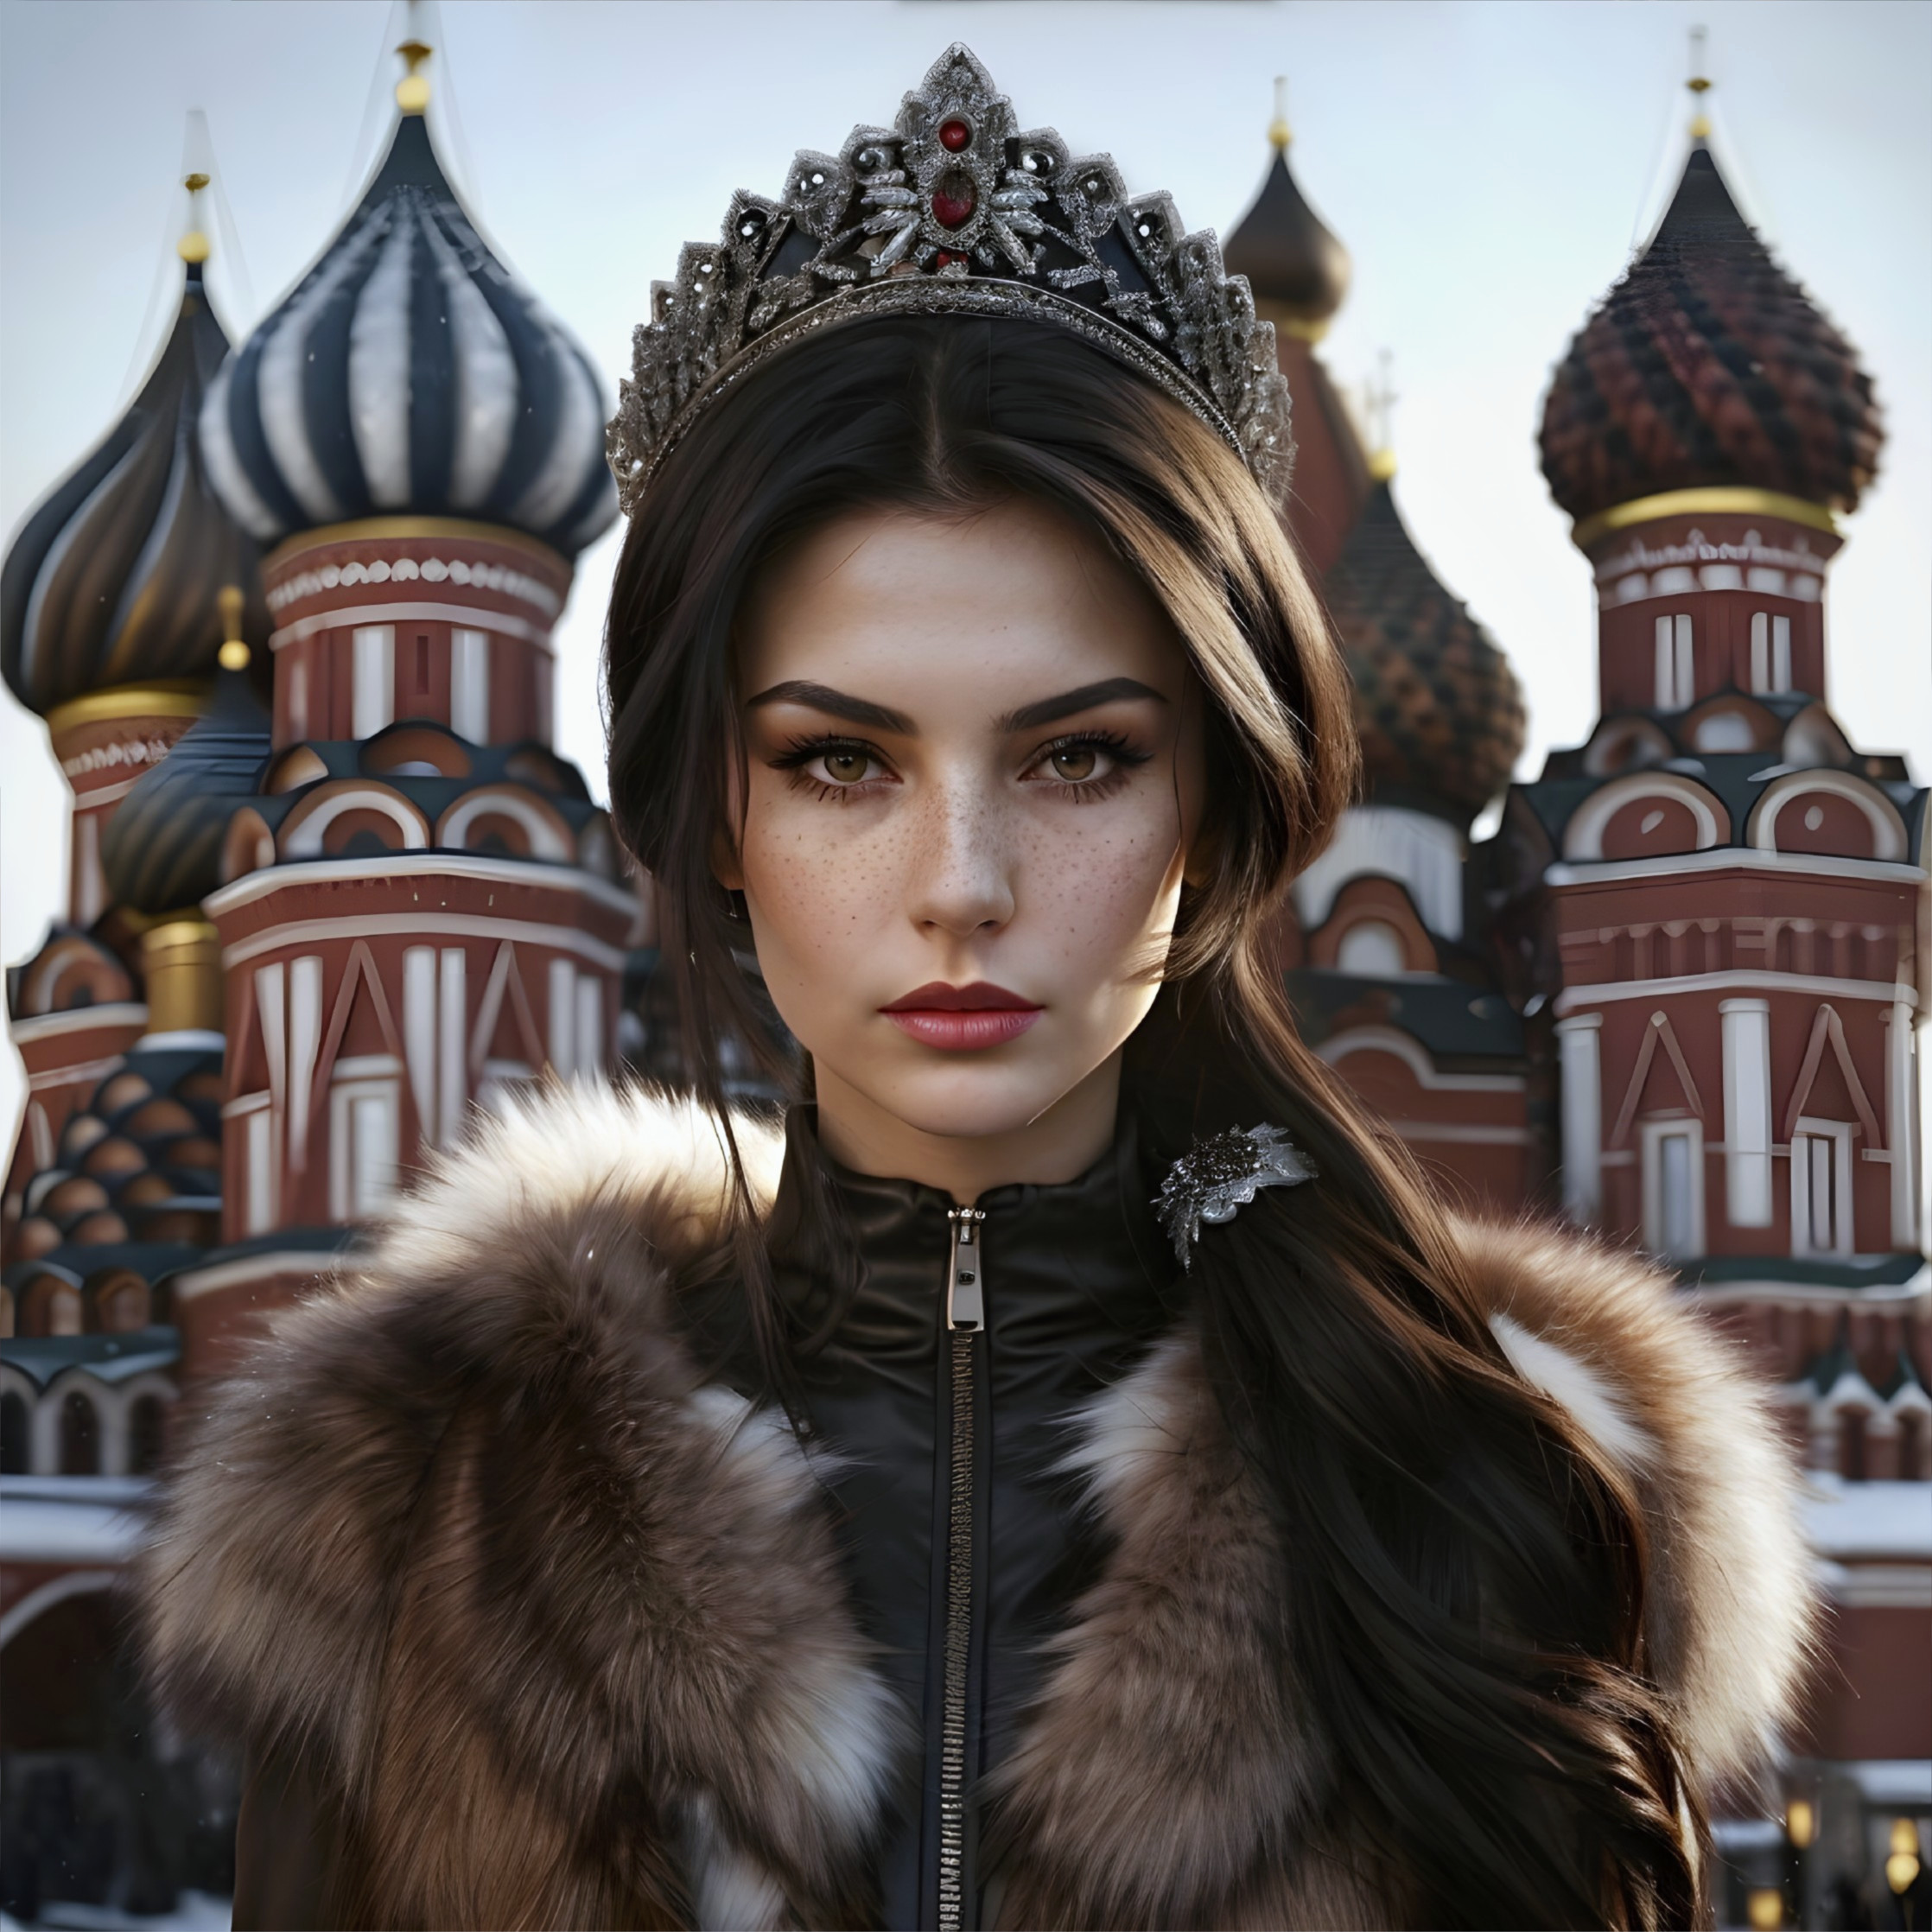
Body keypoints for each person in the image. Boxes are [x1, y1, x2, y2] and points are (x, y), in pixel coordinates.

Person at [145, 47, 1813, 1932]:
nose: (962, 884)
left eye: (1079, 756)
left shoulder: (1487, 1502)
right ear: (712, 817)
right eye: (839, 761)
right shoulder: (409, 1520)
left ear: (1215, 807)